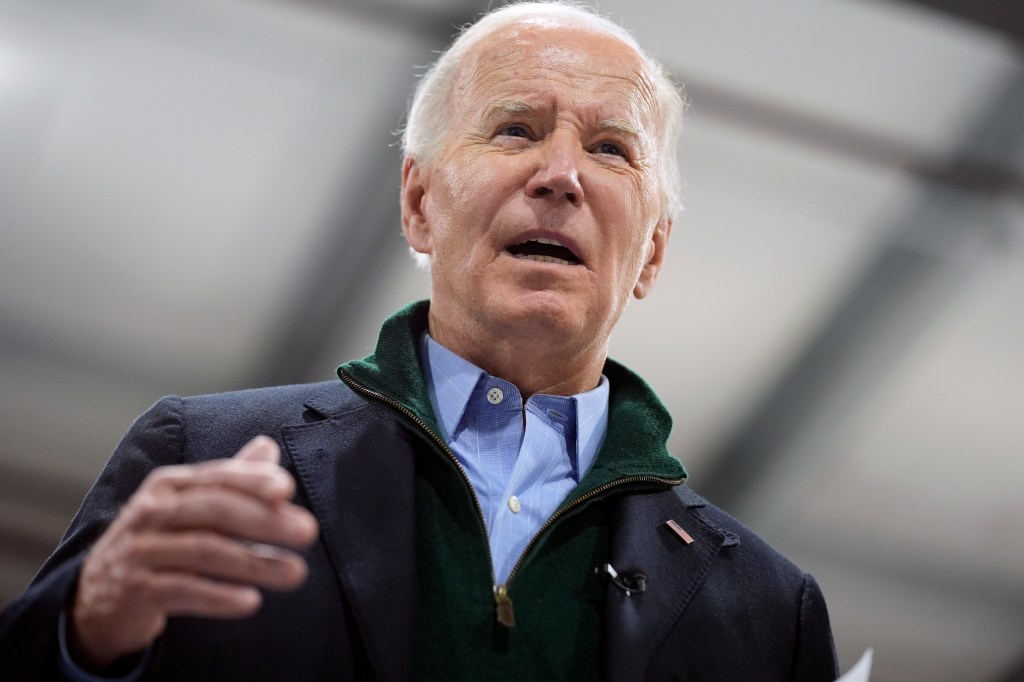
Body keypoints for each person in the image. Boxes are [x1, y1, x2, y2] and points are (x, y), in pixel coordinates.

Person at [0, 2, 839, 680]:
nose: (561, 175)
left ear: (651, 251)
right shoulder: (209, 455)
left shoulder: (766, 607)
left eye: (612, 148)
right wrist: (86, 633)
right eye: (514, 129)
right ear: (418, 203)